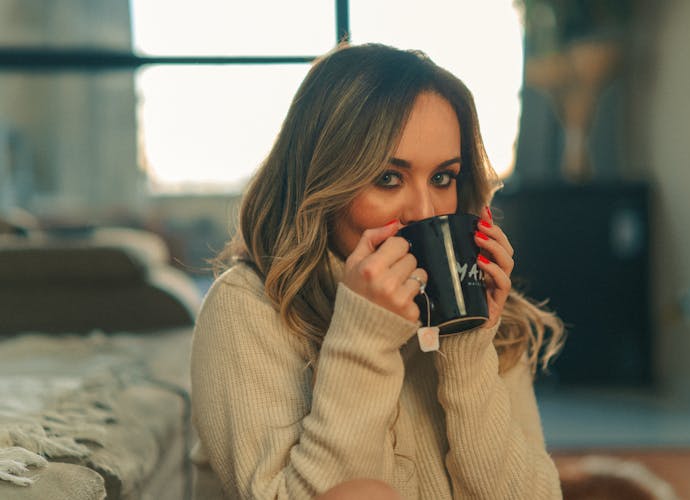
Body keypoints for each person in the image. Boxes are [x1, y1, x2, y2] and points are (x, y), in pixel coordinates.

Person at [190, 42, 566, 500]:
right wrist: (362, 339)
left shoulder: (489, 316)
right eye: (388, 178)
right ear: (323, 182)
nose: (425, 213)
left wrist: (468, 345)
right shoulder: (247, 309)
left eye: (443, 178)